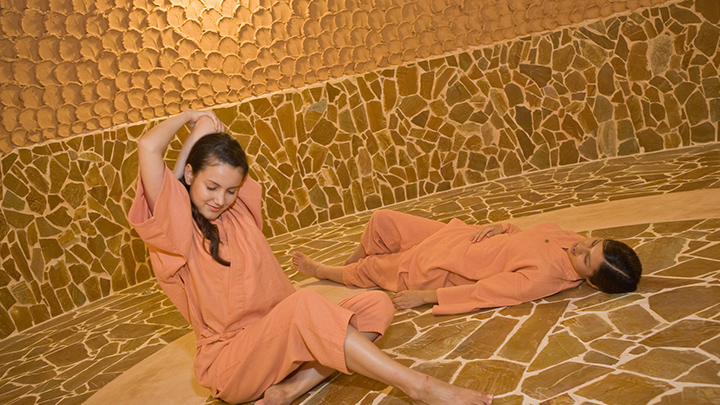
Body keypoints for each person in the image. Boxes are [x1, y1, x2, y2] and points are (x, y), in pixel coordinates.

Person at [128, 110, 493, 405]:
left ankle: (289, 391)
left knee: (376, 305)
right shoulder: (177, 229)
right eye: (211, 187)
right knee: (304, 306)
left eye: (230, 190)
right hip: (233, 364)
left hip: (280, 342)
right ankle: (420, 387)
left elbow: (212, 130)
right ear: (189, 175)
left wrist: (203, 124)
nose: (220, 199)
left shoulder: (237, 211)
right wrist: (189, 116)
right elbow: (148, 147)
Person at [293, 209, 642, 316]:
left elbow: (487, 292)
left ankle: (323, 271)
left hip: (442, 266)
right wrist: (502, 227)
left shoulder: (545, 278)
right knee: (383, 221)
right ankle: (352, 258)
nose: (580, 247)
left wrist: (425, 297)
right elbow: (528, 237)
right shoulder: (573, 240)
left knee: (373, 271)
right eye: (593, 243)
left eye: (586, 258)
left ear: (590, 281)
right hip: (458, 236)